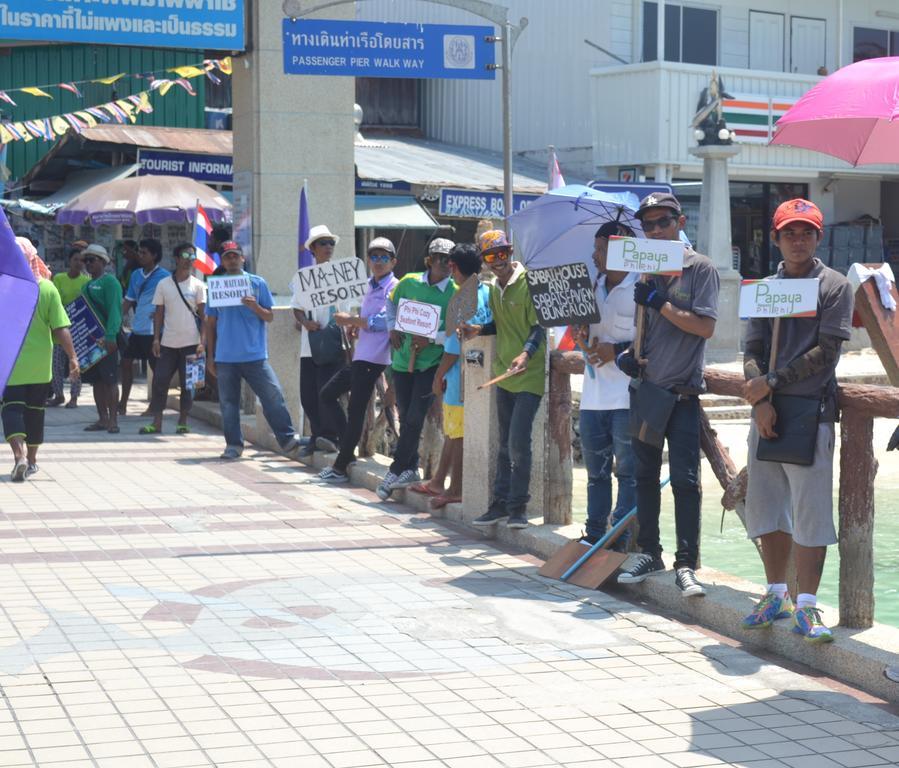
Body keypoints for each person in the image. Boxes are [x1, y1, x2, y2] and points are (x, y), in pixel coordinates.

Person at [741, 199, 853, 643]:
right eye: (790, 232)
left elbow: (828, 352)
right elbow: (750, 348)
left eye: (806, 232)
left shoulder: (836, 285)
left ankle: (807, 605)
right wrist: (758, 400)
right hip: (767, 411)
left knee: (811, 512)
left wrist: (771, 382)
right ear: (776, 238)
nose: (798, 239)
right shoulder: (764, 288)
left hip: (812, 410)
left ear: (818, 237)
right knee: (766, 507)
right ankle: (775, 594)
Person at [615, 193, 719, 596]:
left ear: (681, 221)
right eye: (649, 225)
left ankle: (686, 562)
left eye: (663, 222)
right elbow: (646, 330)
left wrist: (661, 303)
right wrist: (630, 355)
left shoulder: (701, 268)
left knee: (685, 481)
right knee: (642, 475)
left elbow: (705, 328)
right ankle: (649, 551)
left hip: (681, 394)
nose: (656, 230)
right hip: (645, 389)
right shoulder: (643, 270)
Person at [465, 230, 546, 530]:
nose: (498, 261)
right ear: (484, 261)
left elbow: (539, 328)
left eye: (502, 254)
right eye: (491, 256)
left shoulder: (530, 284)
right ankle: (499, 503)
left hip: (529, 375)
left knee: (518, 443)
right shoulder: (494, 288)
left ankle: (518, 508)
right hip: (504, 374)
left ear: (511, 253)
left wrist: (526, 355)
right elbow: (499, 325)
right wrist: (478, 330)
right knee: (503, 444)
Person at [410, 243, 491, 507]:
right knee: (455, 431)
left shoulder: (461, 299)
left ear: (454, 267)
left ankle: (455, 488)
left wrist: (438, 376)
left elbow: (453, 349)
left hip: (460, 377)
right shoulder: (486, 292)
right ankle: (438, 480)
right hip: (480, 372)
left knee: (457, 433)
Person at [376, 238, 457, 500]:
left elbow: (456, 333)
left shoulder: (455, 292)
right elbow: (390, 303)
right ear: (430, 260)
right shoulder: (409, 281)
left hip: (430, 365)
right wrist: (392, 326)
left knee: (414, 417)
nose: (445, 264)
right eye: (440, 258)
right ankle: (410, 467)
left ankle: (396, 468)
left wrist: (432, 338)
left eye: (449, 259)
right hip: (402, 362)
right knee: (403, 412)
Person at [205, 241, 299, 460]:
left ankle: (286, 438)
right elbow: (210, 323)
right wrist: (210, 356)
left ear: (242, 258)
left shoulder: (258, 283)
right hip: (226, 357)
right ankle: (234, 445)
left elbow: (270, 316)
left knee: (273, 394)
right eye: (227, 256)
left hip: (255, 356)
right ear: (222, 260)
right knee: (228, 404)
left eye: (235, 256)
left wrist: (255, 306)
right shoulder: (216, 286)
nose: (232, 260)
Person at [575, 221, 638, 548]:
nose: (595, 255)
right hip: (592, 395)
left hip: (627, 397)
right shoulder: (591, 285)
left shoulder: (641, 287)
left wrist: (614, 350)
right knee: (595, 473)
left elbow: (651, 340)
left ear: (620, 250)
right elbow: (583, 340)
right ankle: (595, 533)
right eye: (596, 248)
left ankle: (620, 537)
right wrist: (581, 338)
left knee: (627, 473)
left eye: (601, 249)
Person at [317, 237, 399, 483]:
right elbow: (367, 319)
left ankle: (341, 465)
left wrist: (352, 321)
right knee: (328, 395)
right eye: (374, 257)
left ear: (393, 261)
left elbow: (383, 322)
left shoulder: (394, 287)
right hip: (361, 356)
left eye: (384, 257)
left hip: (377, 358)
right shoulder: (368, 285)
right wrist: (356, 326)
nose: (379, 262)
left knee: (355, 410)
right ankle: (347, 452)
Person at [2, 238, 79, 481]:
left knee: (11, 411)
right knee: (35, 413)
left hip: (10, 364)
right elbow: (60, 328)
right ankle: (32, 460)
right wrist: (73, 357)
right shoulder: (46, 288)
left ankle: (19, 457)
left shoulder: (4, 287)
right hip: (40, 366)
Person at [140, 243, 207, 435]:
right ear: (176, 258)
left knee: (190, 385)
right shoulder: (164, 284)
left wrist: (203, 342)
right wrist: (155, 339)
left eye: (192, 256)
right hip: (168, 343)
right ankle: (157, 422)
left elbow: (204, 318)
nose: (189, 259)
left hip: (192, 344)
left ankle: (183, 420)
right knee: (160, 382)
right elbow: (159, 314)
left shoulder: (199, 286)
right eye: (185, 255)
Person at [291, 225, 346, 457]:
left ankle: (330, 437)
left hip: (334, 341)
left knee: (327, 392)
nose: (328, 247)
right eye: (323, 243)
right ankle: (316, 435)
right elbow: (297, 308)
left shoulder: (343, 275)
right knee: (308, 395)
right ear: (313, 248)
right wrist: (305, 322)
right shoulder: (304, 278)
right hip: (310, 343)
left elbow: (351, 305)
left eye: (330, 243)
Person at [119, 238, 170, 414]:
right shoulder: (135, 275)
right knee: (125, 363)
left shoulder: (165, 277)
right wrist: (116, 319)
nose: (140, 255)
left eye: (144, 253)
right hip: (138, 327)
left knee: (156, 369)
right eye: (139, 252)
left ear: (154, 255)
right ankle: (122, 402)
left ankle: (155, 405)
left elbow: (170, 302)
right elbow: (128, 301)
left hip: (154, 331)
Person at [80, 244, 124, 434]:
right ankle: (102, 419)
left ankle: (113, 420)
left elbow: (115, 311)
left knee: (111, 381)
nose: (88, 263)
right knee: (96, 382)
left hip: (107, 339)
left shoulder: (111, 282)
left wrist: (111, 336)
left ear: (103, 262)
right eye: (86, 260)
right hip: (91, 342)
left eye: (92, 260)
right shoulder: (85, 285)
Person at [47, 241, 89, 408]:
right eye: (76, 259)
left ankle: (74, 397)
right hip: (59, 330)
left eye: (81, 260)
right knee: (56, 366)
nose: (79, 263)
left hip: (77, 331)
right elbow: (54, 302)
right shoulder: (59, 278)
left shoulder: (86, 281)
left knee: (75, 365)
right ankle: (58, 395)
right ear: (69, 261)